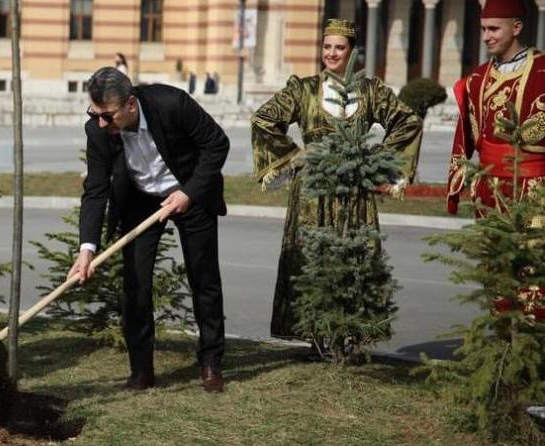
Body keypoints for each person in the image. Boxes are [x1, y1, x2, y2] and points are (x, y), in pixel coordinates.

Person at [250, 18, 422, 339]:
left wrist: (376, 162)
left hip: (355, 189)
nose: (331, 54)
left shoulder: (370, 92)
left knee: (354, 258)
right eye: (326, 47)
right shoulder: (302, 90)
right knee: (311, 258)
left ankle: (353, 334)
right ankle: (314, 336)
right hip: (313, 191)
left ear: (352, 51)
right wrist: (296, 155)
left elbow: (408, 121)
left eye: (339, 48)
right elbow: (263, 120)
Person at [68, 67, 230, 393]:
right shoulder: (99, 130)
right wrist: (87, 249)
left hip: (189, 191)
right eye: (94, 114)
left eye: (107, 116)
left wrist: (188, 193)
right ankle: (141, 370)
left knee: (204, 278)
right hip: (140, 200)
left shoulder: (172, 104)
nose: (101, 123)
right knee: (136, 285)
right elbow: (96, 189)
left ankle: (211, 361)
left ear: (130, 104)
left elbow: (217, 144)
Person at [446, 0, 545, 215]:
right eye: (483, 29)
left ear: (516, 28)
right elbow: (463, 137)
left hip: (535, 193)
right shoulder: (477, 79)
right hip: (487, 192)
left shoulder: (542, 72)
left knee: (533, 248)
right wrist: (456, 182)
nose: (485, 37)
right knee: (488, 247)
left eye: (494, 29)